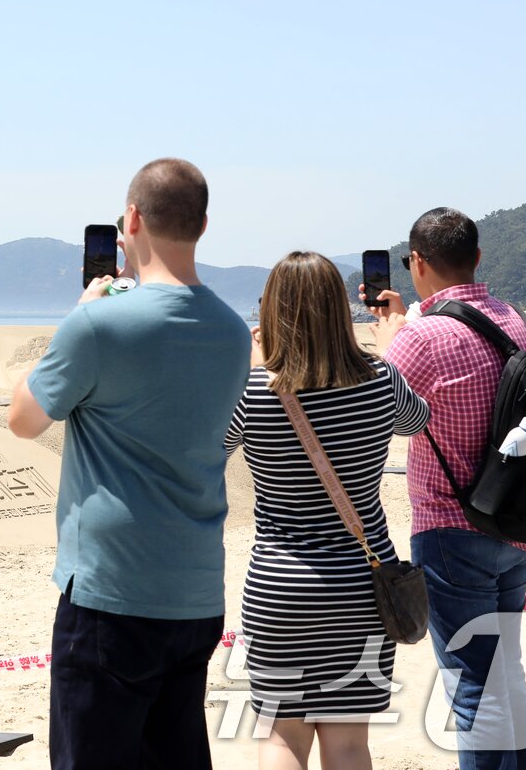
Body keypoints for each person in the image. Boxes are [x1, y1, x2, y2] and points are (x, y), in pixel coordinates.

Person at [7, 158, 251, 769]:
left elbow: (24, 418)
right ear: (203, 224)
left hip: (111, 589)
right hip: (194, 589)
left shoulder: (98, 324)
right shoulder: (231, 331)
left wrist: (83, 310)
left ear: (132, 219)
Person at [225, 252, 429, 770]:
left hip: (279, 585)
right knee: (349, 743)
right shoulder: (381, 380)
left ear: (270, 313)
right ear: (341, 310)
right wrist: (392, 349)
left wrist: (250, 369)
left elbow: (205, 455)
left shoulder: (251, 390)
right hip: (363, 586)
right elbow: (416, 420)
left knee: (281, 738)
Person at [366, 207, 526, 770]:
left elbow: (380, 413)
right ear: (477, 258)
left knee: (472, 686)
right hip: (521, 524)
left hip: (453, 528)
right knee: (506, 674)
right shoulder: (516, 320)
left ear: (416, 262)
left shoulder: (419, 338)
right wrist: (413, 317)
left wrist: (389, 341)